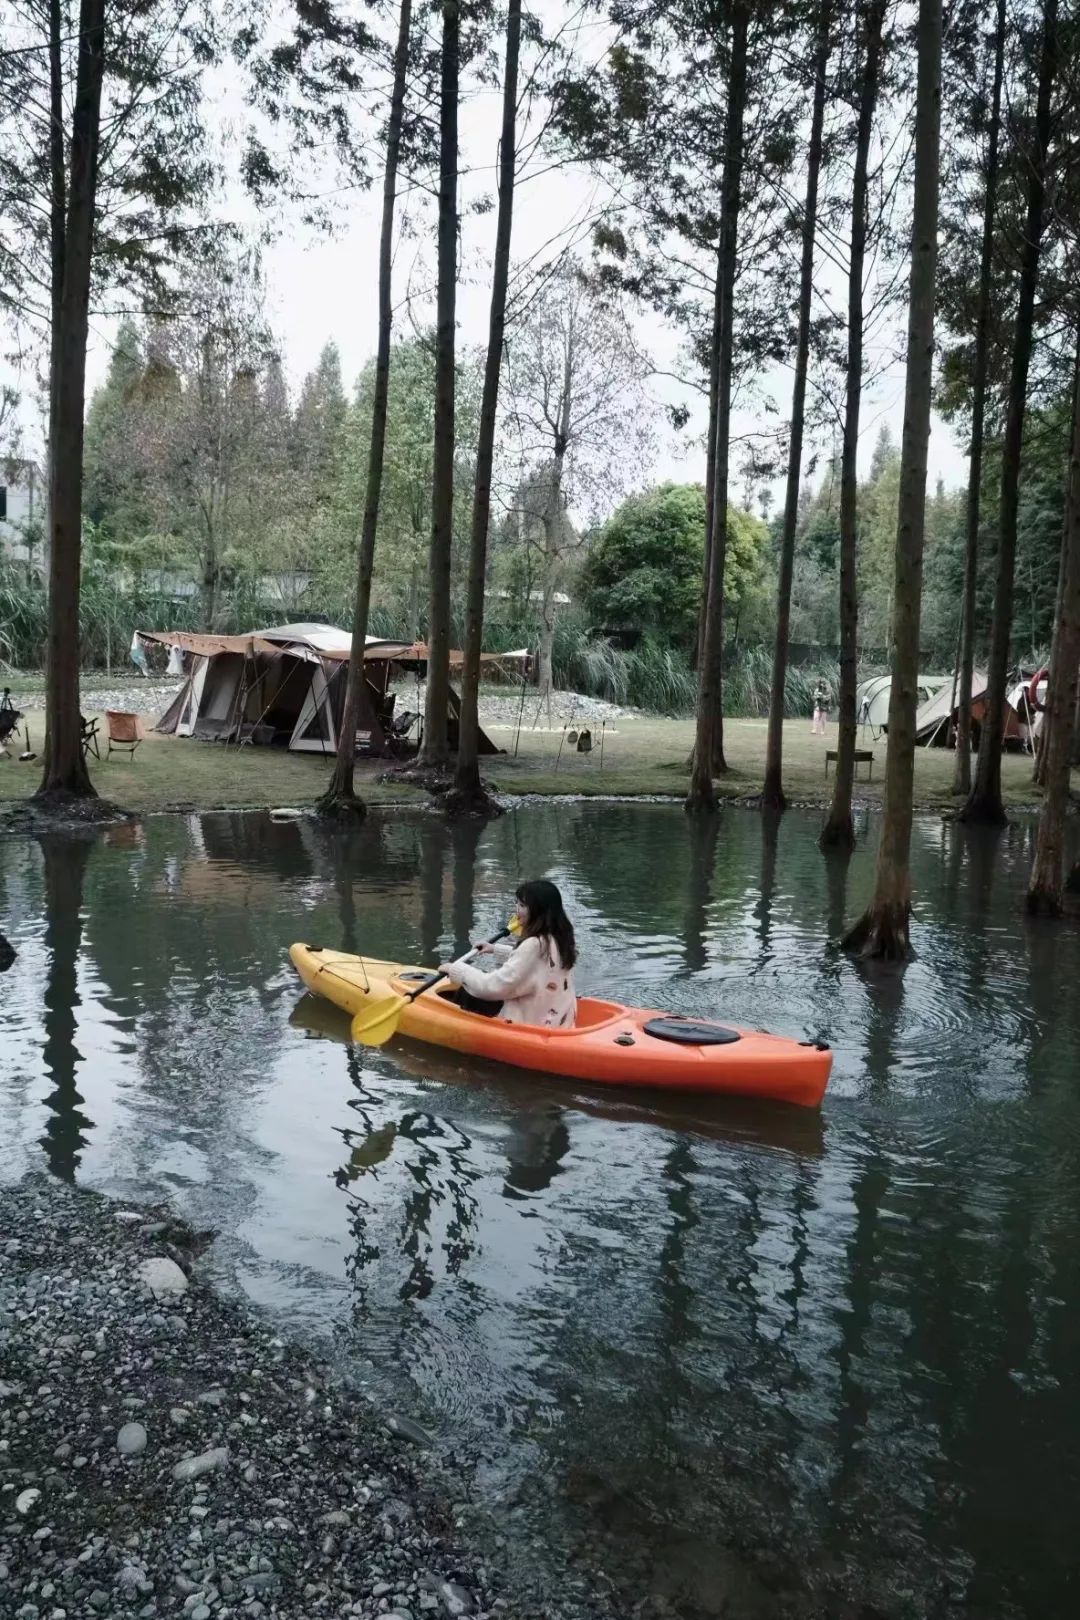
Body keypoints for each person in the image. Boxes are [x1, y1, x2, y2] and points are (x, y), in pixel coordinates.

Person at [439, 878, 577, 1028]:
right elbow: (539, 965)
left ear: (538, 911)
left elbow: (492, 986)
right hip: (560, 1019)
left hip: (531, 1023)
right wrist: (495, 949)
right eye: (517, 903)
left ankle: (454, 1027)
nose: (517, 910)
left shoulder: (533, 945)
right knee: (476, 978)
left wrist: (457, 970)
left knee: (468, 991)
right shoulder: (560, 937)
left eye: (522, 905)